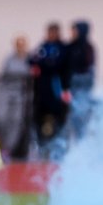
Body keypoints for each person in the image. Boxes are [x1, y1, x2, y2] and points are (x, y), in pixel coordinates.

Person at [30, 21, 70, 153]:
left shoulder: (62, 48)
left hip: (56, 89)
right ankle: (41, 145)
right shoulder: (43, 46)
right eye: (49, 32)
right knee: (39, 117)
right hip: (41, 90)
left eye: (53, 32)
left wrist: (44, 64)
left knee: (57, 117)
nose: (51, 35)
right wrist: (44, 64)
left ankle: (57, 146)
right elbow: (32, 60)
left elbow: (58, 65)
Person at [0, 34, 33, 161]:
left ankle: (9, 149)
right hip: (7, 93)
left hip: (22, 95)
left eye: (22, 44)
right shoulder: (9, 59)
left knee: (16, 121)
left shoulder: (30, 59)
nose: (20, 47)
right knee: (1, 119)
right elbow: (3, 76)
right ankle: (2, 144)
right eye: (18, 44)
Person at [63, 19, 95, 140]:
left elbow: (90, 69)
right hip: (71, 87)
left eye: (75, 30)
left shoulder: (87, 48)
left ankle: (81, 141)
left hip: (82, 88)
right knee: (70, 118)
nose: (72, 33)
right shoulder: (70, 47)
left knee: (81, 116)